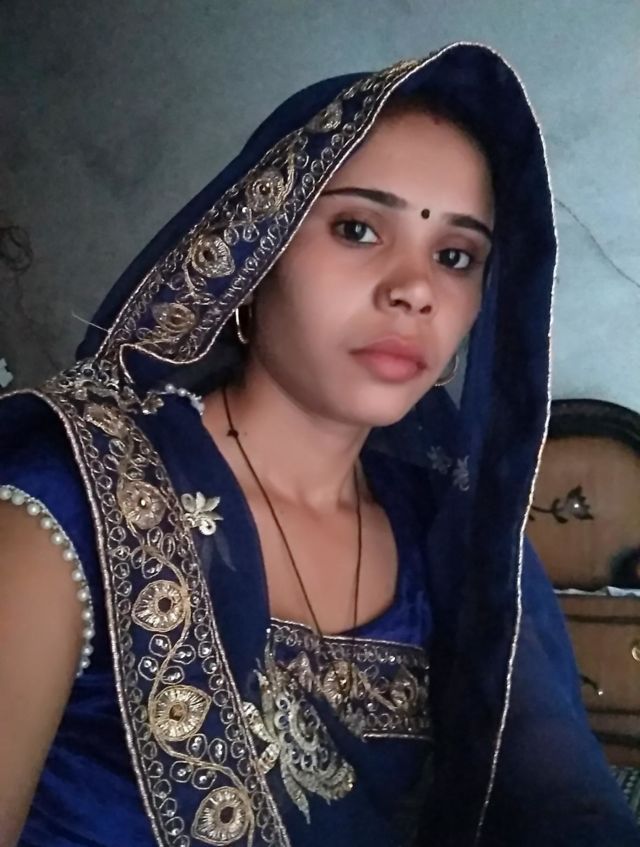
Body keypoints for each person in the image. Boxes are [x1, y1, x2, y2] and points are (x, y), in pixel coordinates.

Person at [0, 43, 637, 847]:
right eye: (358, 228)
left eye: (456, 256)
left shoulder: (447, 537)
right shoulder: (69, 501)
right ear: (254, 255)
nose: (415, 289)